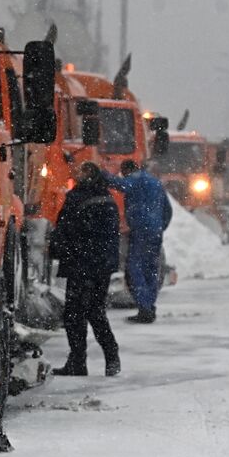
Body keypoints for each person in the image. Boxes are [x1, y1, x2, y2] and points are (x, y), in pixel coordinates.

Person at [49, 162, 122, 376]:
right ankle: (111, 357)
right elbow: (110, 234)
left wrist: (57, 249)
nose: (76, 174)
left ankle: (78, 361)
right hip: (101, 265)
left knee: (74, 314)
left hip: (81, 263)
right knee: (96, 311)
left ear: (88, 174)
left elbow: (66, 228)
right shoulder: (107, 198)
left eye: (81, 171)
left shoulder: (78, 197)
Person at [106, 159, 174, 323]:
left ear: (127, 171)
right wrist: (159, 226)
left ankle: (144, 308)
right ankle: (149, 305)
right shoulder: (155, 182)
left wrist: (101, 174)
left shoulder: (136, 179)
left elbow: (121, 185)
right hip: (155, 231)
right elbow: (168, 210)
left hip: (141, 231)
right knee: (151, 269)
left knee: (135, 268)